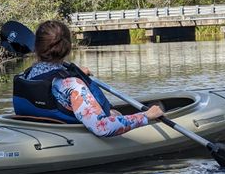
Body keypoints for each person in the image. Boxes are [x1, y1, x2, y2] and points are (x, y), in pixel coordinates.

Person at [13, 20, 164, 137]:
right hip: (67, 135)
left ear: (37, 47)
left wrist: (77, 72)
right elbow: (102, 128)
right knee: (114, 114)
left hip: (38, 128)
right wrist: (145, 116)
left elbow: (51, 75)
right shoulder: (73, 86)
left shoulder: (28, 74)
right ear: (68, 48)